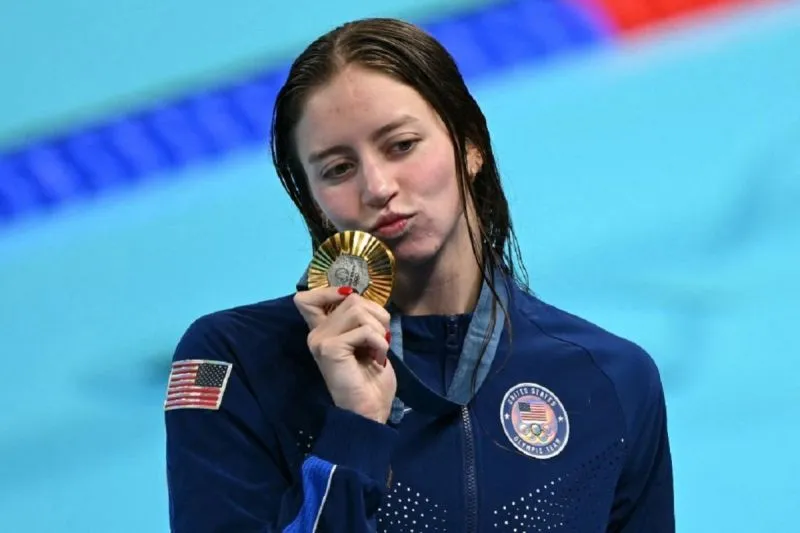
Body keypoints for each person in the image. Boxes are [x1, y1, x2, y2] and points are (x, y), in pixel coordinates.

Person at [164, 17, 674, 533]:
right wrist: (354, 429)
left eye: (402, 145)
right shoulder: (237, 363)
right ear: (314, 201)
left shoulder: (610, 380)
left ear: (470, 144)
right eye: (338, 169)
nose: (377, 187)